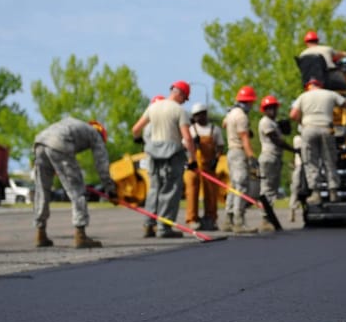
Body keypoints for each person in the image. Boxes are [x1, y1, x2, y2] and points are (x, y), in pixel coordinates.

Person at [32, 118, 116, 248]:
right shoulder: (95, 135)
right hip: (59, 143)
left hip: (40, 142)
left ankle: (40, 233)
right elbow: (102, 164)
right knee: (77, 191)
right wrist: (110, 189)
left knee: (42, 190)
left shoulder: (77, 125)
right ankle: (80, 236)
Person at [132, 81, 197, 238]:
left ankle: (149, 224)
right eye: (185, 98)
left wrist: (139, 139)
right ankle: (164, 227)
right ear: (181, 94)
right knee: (170, 190)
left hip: (153, 155)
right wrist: (193, 160)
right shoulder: (179, 111)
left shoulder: (153, 107)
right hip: (172, 155)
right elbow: (188, 138)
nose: (184, 102)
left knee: (154, 189)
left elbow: (136, 129)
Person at [289, 78, 346, 205]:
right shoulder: (330, 94)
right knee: (329, 160)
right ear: (320, 86)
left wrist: (301, 122)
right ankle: (333, 192)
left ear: (308, 87)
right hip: (326, 128)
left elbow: (293, 115)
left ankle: (316, 193)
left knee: (311, 161)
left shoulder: (303, 96)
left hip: (308, 129)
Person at [221, 85, 258, 234]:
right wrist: (251, 156)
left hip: (231, 152)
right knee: (241, 186)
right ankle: (239, 221)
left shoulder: (231, 113)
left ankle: (228, 219)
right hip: (239, 152)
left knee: (234, 186)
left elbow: (224, 124)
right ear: (248, 102)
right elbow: (244, 138)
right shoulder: (241, 116)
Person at [184, 102, 225, 231]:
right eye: (196, 116)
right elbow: (184, 145)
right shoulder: (191, 130)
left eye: (201, 115)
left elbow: (220, 146)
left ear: (205, 114)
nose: (199, 118)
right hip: (194, 166)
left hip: (209, 166)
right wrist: (193, 143)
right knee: (192, 192)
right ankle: (192, 219)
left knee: (211, 193)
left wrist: (216, 159)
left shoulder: (214, 129)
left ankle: (211, 218)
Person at [257, 95, 295, 231]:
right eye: (269, 108)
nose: (272, 110)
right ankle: (265, 218)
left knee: (272, 189)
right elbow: (276, 140)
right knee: (268, 189)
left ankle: (268, 217)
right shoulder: (266, 122)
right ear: (264, 110)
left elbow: (286, 133)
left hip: (275, 158)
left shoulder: (273, 123)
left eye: (274, 107)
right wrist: (293, 150)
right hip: (269, 158)